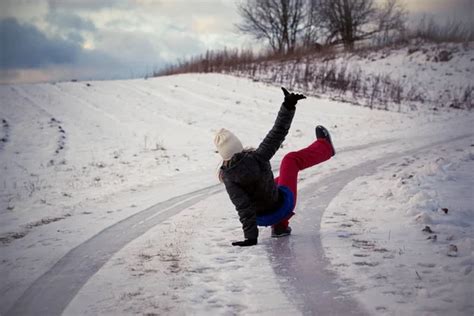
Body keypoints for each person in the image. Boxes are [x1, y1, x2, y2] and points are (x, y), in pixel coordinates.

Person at [214, 87, 335, 247]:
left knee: (274, 182)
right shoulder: (258, 157)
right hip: (281, 207)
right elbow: (277, 132)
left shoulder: (228, 177)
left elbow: (243, 208)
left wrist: (251, 238)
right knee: (290, 160)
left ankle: (279, 228)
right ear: (239, 146)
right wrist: (288, 105)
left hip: (262, 218)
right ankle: (325, 147)